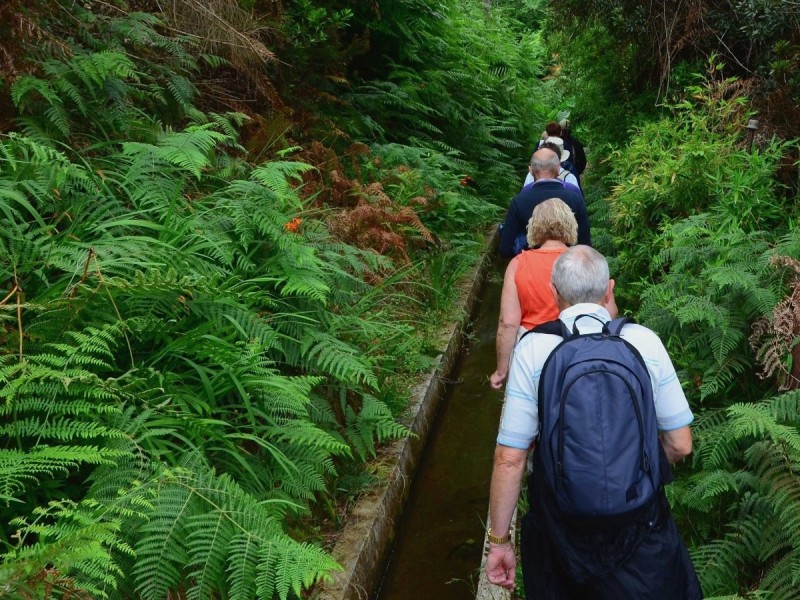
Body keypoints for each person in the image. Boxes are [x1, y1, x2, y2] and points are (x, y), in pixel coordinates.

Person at [484, 245, 701, 599]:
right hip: (641, 527)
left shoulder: (533, 350)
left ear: (554, 294)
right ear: (609, 290)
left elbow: (510, 457)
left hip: (562, 533)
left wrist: (499, 542)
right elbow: (680, 443)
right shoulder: (644, 341)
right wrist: (635, 469)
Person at [490, 199, 577, 390]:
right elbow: (607, 312)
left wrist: (501, 371)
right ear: (570, 224)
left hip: (530, 353)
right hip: (576, 351)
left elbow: (508, 323)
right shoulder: (585, 260)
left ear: (534, 227)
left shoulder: (518, 264)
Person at [499, 149, 590, 258]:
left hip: (531, 267)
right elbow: (585, 246)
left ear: (531, 170)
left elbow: (505, 249)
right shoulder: (575, 199)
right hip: (567, 266)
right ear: (558, 169)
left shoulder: (519, 201)